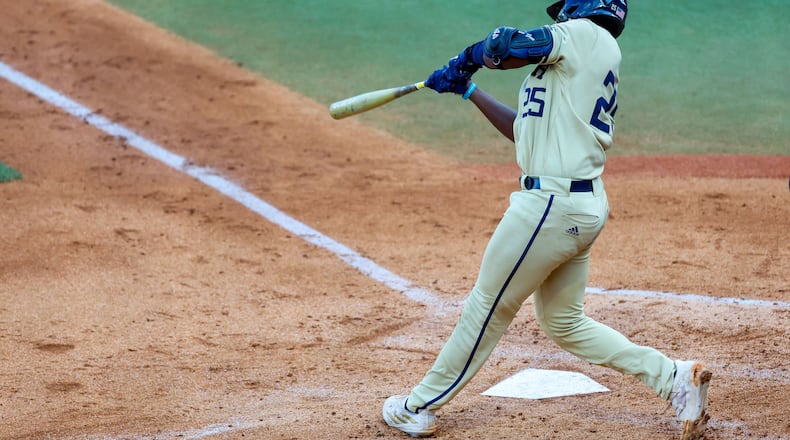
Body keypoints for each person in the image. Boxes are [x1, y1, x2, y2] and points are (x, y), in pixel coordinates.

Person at [382, 1, 713, 439]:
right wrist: (468, 89)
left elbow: (504, 43)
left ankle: (418, 406)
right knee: (564, 322)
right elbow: (525, 130)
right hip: (578, 204)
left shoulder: (582, 35)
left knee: (486, 306)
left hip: (549, 207)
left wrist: (467, 57)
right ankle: (673, 378)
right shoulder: (585, 54)